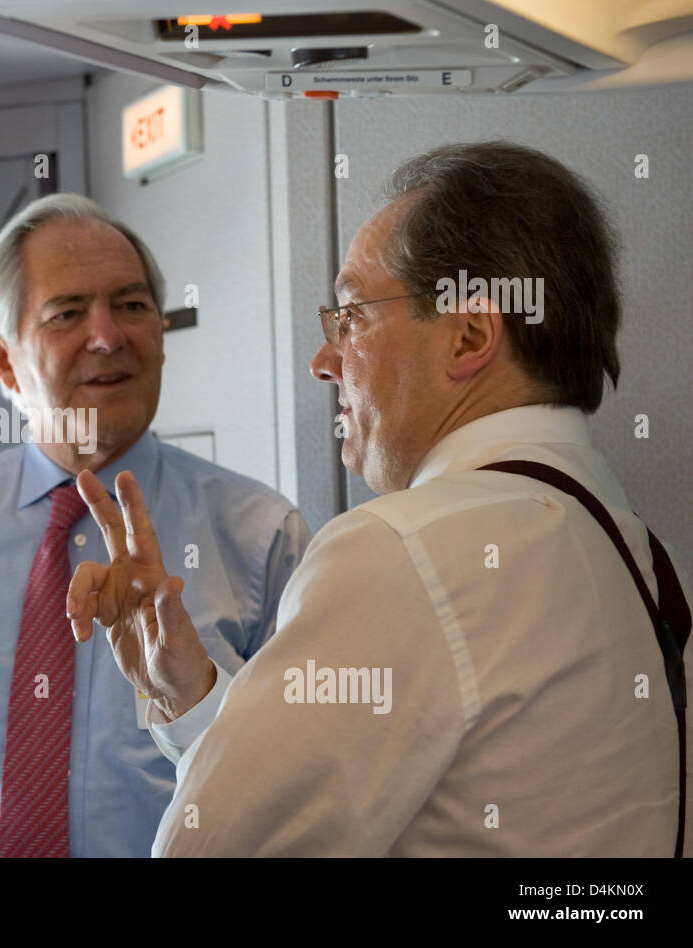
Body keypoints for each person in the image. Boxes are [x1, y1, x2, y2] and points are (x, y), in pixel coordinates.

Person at [68, 141, 691, 857]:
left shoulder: (404, 550)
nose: (324, 361)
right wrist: (191, 697)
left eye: (352, 316)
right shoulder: (646, 559)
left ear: (470, 334)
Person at [0, 194, 309, 857]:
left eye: (133, 306)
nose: (109, 337)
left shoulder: (261, 536)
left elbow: (300, 795)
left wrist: (192, 691)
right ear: (2, 361)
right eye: (67, 313)